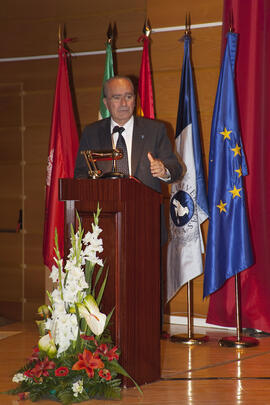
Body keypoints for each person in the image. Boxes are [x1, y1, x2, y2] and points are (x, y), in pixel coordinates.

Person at [74, 75, 184, 199]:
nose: (124, 103)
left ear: (135, 99)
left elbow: (175, 167)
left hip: (147, 211)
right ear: (106, 103)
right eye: (117, 98)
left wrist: (164, 171)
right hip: (105, 211)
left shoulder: (155, 130)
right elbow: (80, 173)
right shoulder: (91, 133)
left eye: (128, 97)